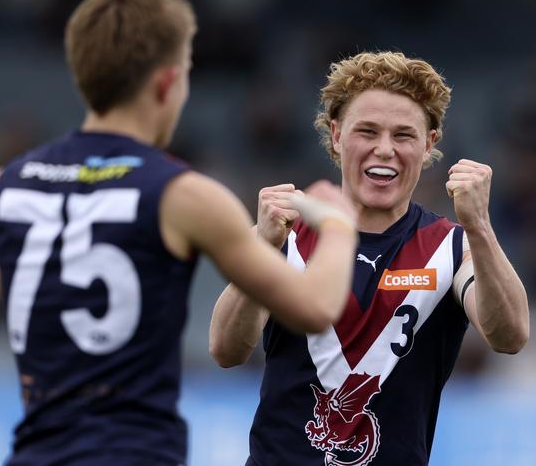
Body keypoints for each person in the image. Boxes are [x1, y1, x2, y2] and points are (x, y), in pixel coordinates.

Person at [0, 0, 359, 465]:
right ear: (168, 82)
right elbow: (317, 307)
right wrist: (339, 225)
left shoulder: (9, 183)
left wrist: (53, 261)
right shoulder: (183, 195)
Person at [209, 51, 530, 466]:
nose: (384, 149)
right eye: (367, 131)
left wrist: (481, 226)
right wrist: (263, 249)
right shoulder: (285, 231)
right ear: (337, 134)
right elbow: (225, 350)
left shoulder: (453, 247)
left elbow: (511, 336)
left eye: (403, 135)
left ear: (429, 143)